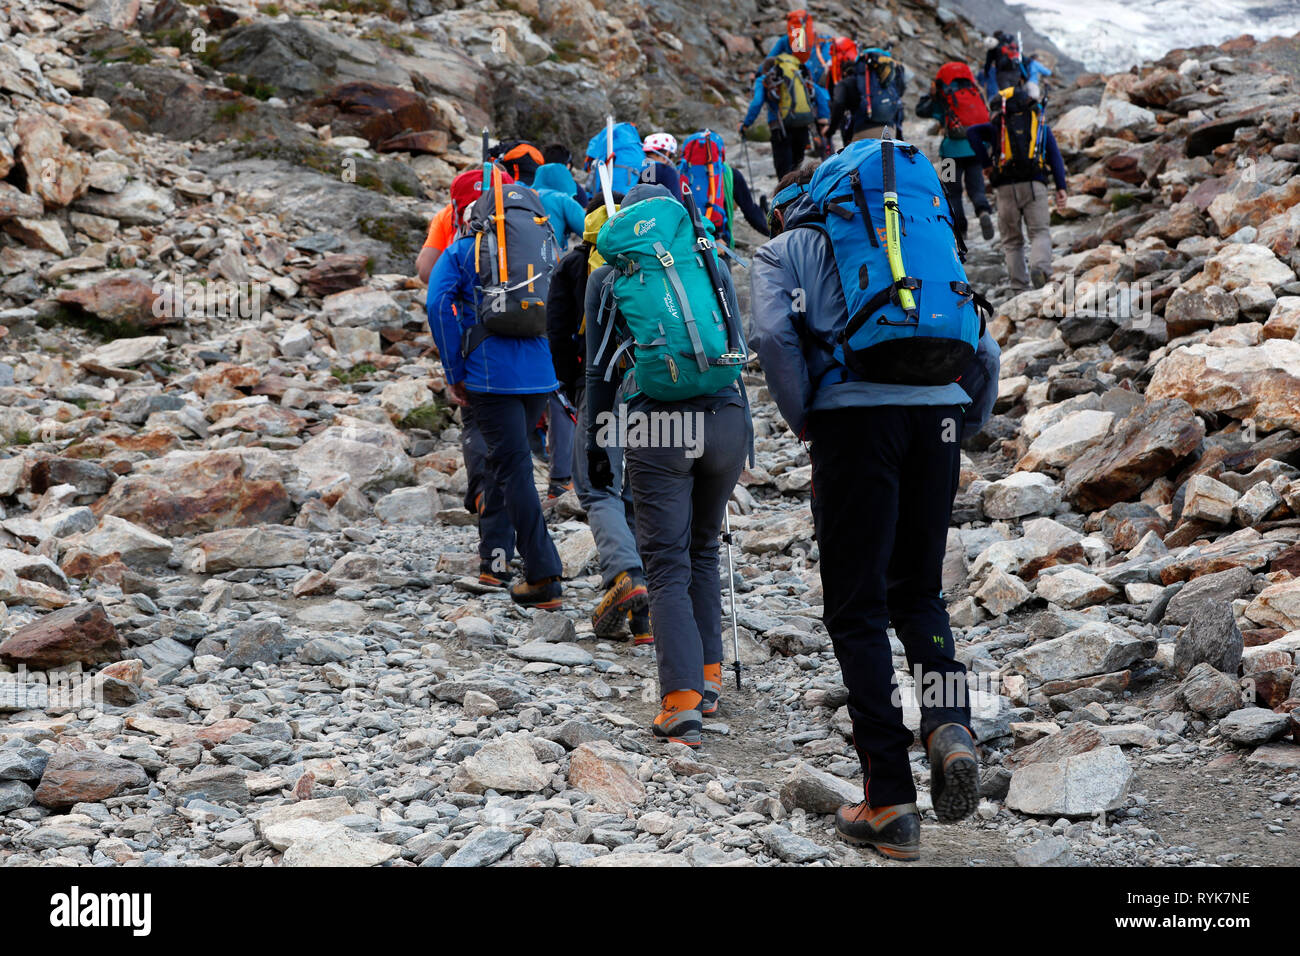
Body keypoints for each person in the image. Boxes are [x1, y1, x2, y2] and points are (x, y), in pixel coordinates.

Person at [750, 162, 1000, 860]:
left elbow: (774, 339)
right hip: (939, 421)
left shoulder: (784, 251)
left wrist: (809, 420)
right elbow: (985, 343)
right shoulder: (919, 232)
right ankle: (949, 724)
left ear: (793, 206)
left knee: (856, 609)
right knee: (920, 593)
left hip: (854, 427)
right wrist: (966, 415)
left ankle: (888, 800)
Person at [585, 183, 753, 744]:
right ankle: (708, 679)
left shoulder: (609, 277)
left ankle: (679, 702)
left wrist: (595, 446)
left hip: (660, 426)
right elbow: (734, 345)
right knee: (704, 547)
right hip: (728, 418)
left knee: (663, 562)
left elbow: (600, 372)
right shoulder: (711, 260)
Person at [427, 168, 566, 609]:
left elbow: (437, 304)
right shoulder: (544, 250)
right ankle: (497, 562)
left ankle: (544, 574)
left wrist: (454, 370)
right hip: (540, 375)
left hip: (489, 376)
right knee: (512, 462)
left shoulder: (463, 251)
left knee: (512, 469)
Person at [547, 193, 653, 644]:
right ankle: (645, 621)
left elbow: (556, 332)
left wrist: (573, 388)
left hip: (602, 388)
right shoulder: (661, 257)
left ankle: (625, 573)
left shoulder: (576, 264)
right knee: (638, 493)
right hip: (659, 390)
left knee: (596, 487)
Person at [967, 87, 1068, 291]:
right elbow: (1055, 158)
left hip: (1005, 187)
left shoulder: (998, 127)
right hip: (1034, 184)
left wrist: (986, 163)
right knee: (1039, 232)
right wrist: (1061, 187)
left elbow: (972, 133)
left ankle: (1018, 287)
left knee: (1012, 241)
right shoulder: (1039, 127)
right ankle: (1040, 268)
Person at [916, 64, 995, 241]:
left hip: (949, 153)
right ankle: (982, 211)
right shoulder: (975, 92)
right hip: (975, 150)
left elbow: (921, 111)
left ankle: (960, 230)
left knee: (951, 190)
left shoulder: (943, 97)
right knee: (977, 187)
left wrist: (932, 94)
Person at [741, 57, 831, 180]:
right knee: (796, 169)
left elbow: (757, 103)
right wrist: (824, 119)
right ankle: (798, 195)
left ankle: (785, 197)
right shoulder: (798, 76)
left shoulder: (764, 80)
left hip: (780, 131)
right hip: (802, 127)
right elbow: (820, 94)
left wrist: (745, 124)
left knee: (784, 173)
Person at [830, 46, 906, 142]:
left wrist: (830, 132)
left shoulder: (849, 82)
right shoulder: (886, 83)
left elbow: (838, 104)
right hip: (890, 132)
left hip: (862, 133)